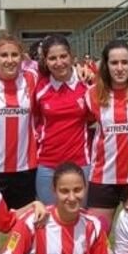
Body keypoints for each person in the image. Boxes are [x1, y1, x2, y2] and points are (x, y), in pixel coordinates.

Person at [86, 40, 128, 224]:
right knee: (97, 234)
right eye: (114, 63)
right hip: (103, 176)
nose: (119, 68)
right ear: (106, 65)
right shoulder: (91, 93)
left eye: (124, 62)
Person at [0, 34, 39, 209]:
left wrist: (79, 71)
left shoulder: (32, 78)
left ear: (22, 56)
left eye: (14, 55)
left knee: (23, 226)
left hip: (25, 167)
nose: (10, 60)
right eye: (4, 55)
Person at [34, 35, 91, 205]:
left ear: (71, 56)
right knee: (49, 220)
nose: (59, 63)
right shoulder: (39, 87)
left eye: (63, 56)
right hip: (47, 164)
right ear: (45, 61)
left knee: (79, 218)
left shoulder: (87, 84)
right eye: (52, 58)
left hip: (80, 162)